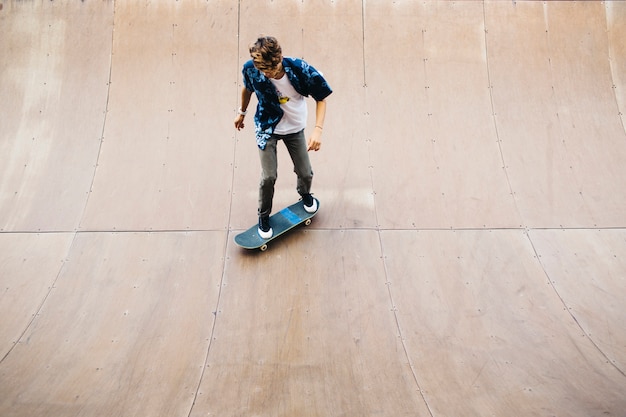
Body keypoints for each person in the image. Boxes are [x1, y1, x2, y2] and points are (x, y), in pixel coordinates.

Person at [234, 35, 332, 239]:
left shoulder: (300, 68)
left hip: (294, 128)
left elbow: (321, 97)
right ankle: (263, 216)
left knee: (305, 172)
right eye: (263, 71)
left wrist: (318, 129)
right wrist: (241, 112)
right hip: (266, 126)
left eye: (271, 70)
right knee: (269, 176)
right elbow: (247, 88)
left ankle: (304, 194)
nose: (267, 74)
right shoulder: (252, 68)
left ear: (279, 59)